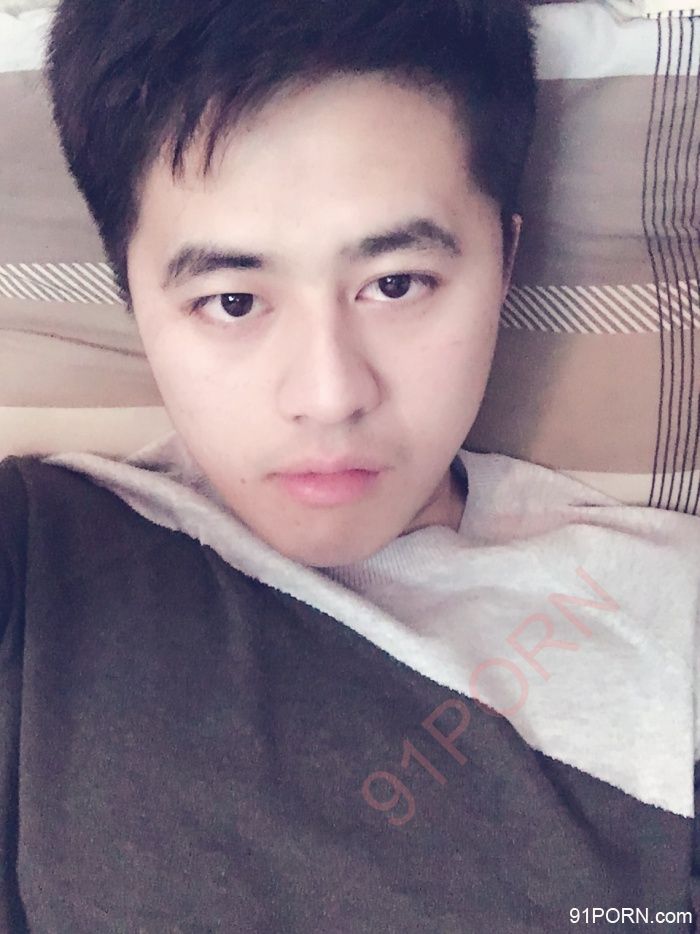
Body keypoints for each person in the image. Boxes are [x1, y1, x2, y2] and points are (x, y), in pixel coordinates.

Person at [1, 0, 698, 930]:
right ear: (130, 294)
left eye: (395, 284)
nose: (330, 395)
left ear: (505, 261)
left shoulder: (670, 620)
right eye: (233, 300)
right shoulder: (43, 562)